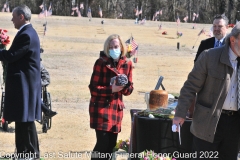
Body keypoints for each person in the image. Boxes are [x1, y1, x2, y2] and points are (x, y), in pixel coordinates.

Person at [172, 23, 240, 159]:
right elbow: (190, 87)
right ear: (233, 40)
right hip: (208, 122)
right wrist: (180, 113)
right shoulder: (209, 57)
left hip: (235, 125)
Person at [0, 5, 41, 159]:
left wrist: (1, 51)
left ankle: (30, 153)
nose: (12, 19)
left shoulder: (27, 35)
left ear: (21, 17)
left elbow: (12, 55)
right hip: (24, 84)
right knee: (22, 119)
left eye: (14, 16)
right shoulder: (27, 32)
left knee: (26, 120)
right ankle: (23, 152)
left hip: (25, 85)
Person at [89, 34, 134, 160]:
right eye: (111, 47)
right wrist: (111, 89)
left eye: (116, 46)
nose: (114, 49)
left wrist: (124, 86)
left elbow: (129, 89)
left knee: (111, 146)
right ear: (107, 49)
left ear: (121, 47)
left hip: (116, 110)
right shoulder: (101, 63)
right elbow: (93, 88)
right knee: (102, 144)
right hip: (101, 108)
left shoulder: (127, 64)